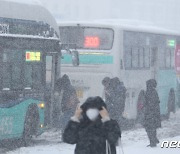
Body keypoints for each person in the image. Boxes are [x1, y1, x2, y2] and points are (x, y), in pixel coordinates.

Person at [144, 79, 161, 147]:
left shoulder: (150, 92)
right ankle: (153, 140)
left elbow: (150, 103)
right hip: (153, 113)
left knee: (150, 128)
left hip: (150, 113)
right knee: (152, 128)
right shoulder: (153, 91)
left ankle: (153, 141)